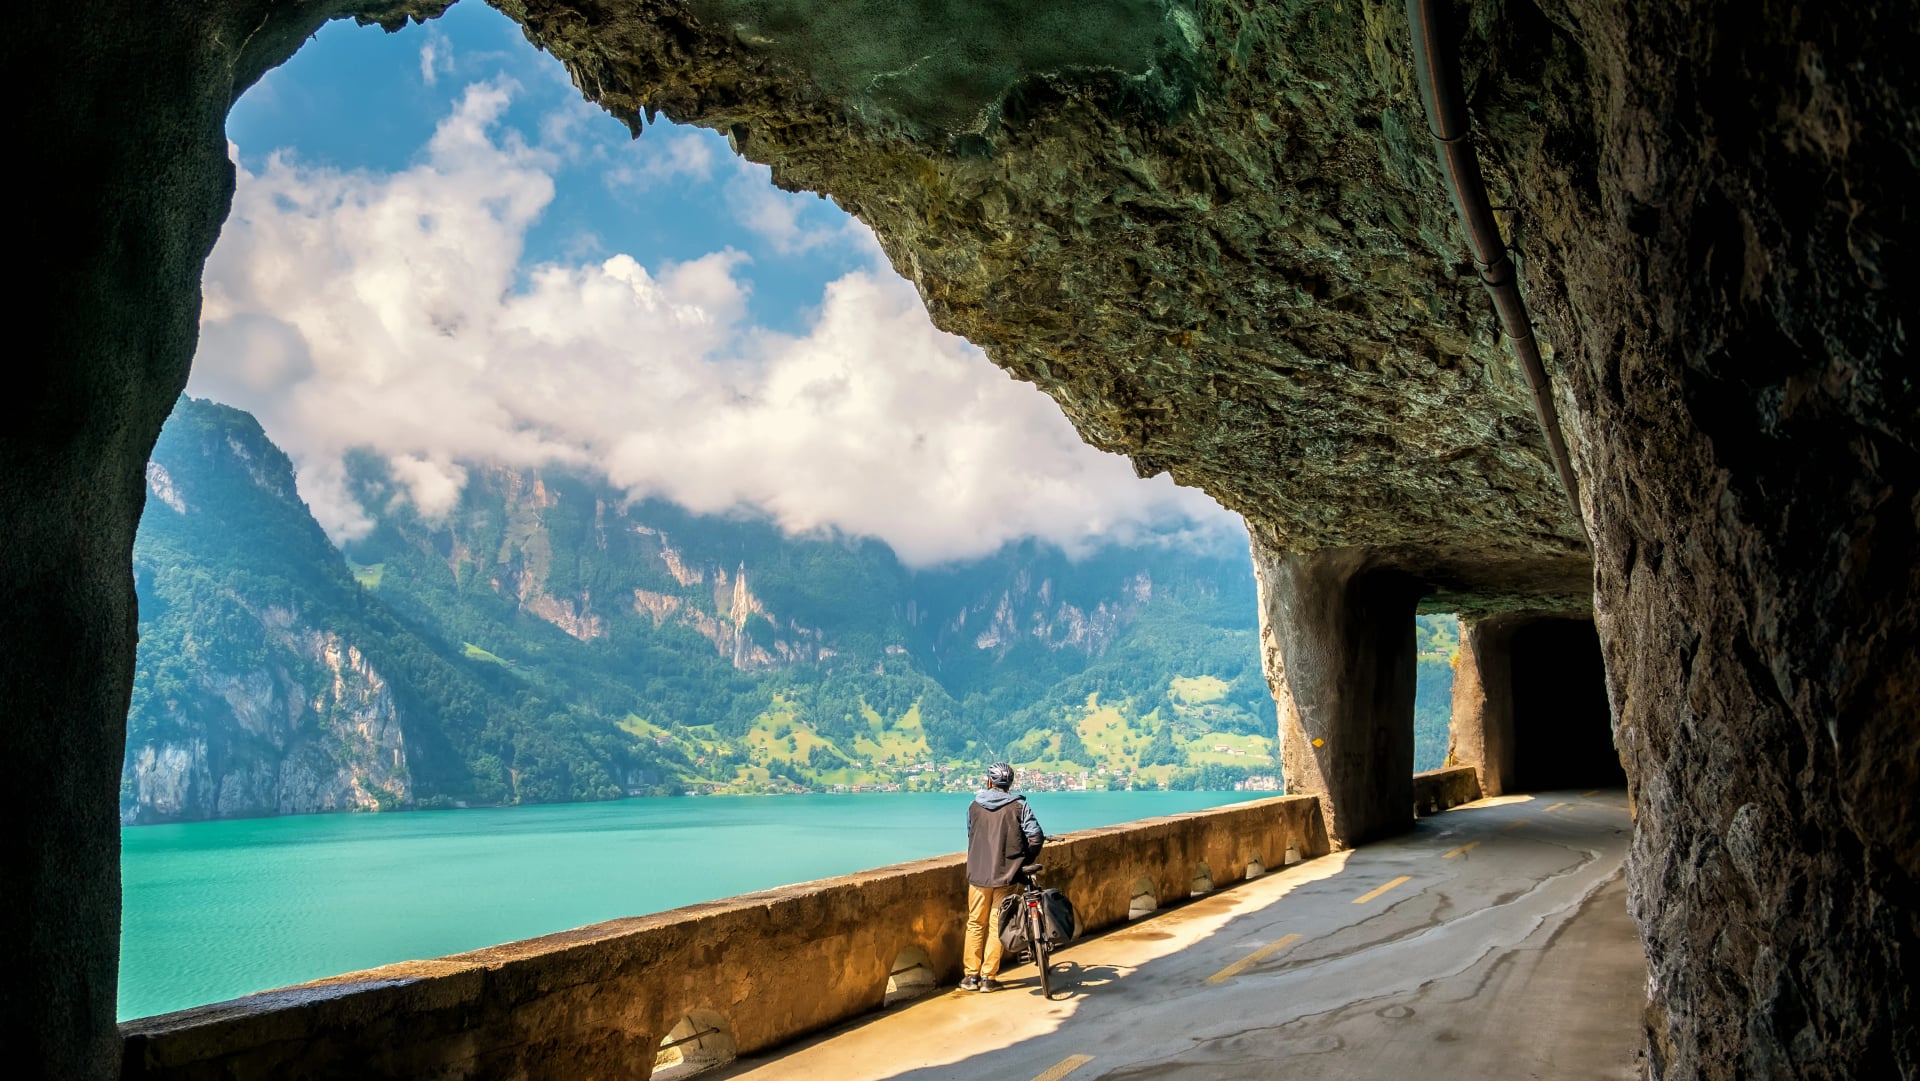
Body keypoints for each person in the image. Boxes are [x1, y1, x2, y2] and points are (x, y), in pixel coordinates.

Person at [960, 762, 1044, 992]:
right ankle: (989, 978)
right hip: (1006, 875)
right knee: (998, 925)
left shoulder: (973, 806)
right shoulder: (1019, 805)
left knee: (975, 924)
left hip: (977, 874)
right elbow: (1036, 837)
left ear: (989, 781)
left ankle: (971, 977)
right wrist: (1023, 861)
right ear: (1010, 783)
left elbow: (971, 834)